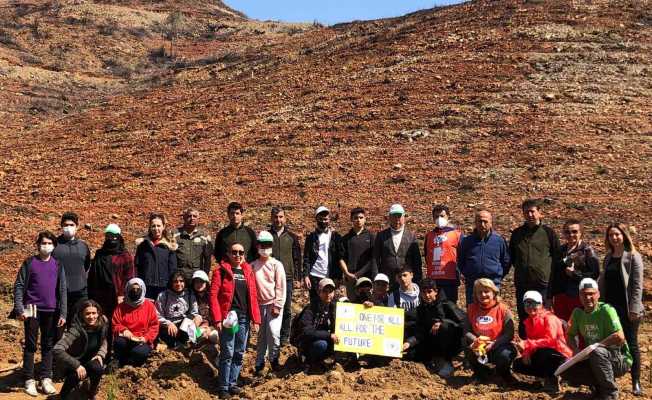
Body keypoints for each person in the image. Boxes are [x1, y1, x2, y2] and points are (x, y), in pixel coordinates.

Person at [13, 231, 67, 396]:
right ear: (38, 245)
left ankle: (45, 378)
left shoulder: (58, 265)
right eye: (43, 243)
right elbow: (19, 285)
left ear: (54, 246)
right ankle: (29, 379)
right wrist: (20, 308)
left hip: (51, 310)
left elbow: (63, 289)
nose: (46, 246)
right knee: (30, 344)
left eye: (50, 243)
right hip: (32, 310)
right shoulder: (30, 263)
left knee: (48, 344)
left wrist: (63, 313)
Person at [561, 278, 632, 400]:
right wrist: (576, 350)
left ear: (598, 294)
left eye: (591, 294)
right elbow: (570, 335)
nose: (588, 297)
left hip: (619, 358)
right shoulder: (578, 313)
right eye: (584, 294)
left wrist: (597, 345)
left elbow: (620, 336)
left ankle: (610, 392)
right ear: (579, 296)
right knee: (565, 368)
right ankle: (598, 387)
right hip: (595, 356)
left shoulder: (607, 310)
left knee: (597, 352)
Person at [209, 242, 261, 399]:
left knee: (239, 351)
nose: (237, 255)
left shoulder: (248, 271)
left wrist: (256, 319)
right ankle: (223, 386)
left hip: (244, 317)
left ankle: (232, 383)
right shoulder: (221, 271)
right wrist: (217, 318)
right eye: (234, 252)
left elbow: (253, 296)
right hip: (229, 318)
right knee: (228, 351)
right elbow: (213, 296)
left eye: (241, 252)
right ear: (228, 253)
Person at [599, 223, 644, 396]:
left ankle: (636, 381)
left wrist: (634, 308)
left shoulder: (633, 256)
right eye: (611, 235)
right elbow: (605, 282)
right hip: (611, 308)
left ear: (624, 235)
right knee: (612, 343)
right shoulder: (608, 257)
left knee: (631, 343)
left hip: (628, 309)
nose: (614, 238)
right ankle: (609, 381)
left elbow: (637, 286)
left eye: (617, 234)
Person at [507, 199, 562, 337]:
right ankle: (526, 348)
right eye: (526, 212)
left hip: (542, 284)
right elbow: (513, 257)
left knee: (542, 316)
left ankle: (542, 347)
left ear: (539, 213)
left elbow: (557, 257)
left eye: (533, 211)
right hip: (523, 284)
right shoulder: (517, 234)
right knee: (524, 316)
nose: (530, 214)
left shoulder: (548, 233)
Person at [512, 291, 572, 393]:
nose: (530, 306)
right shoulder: (529, 321)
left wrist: (527, 344)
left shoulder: (550, 318)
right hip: (545, 354)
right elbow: (532, 342)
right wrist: (526, 352)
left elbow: (551, 341)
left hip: (560, 355)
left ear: (541, 304)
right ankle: (543, 377)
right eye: (527, 303)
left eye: (534, 303)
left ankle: (553, 381)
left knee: (543, 353)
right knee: (518, 364)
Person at [405, 278, 465, 377]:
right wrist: (409, 342)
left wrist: (442, 322)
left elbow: (463, 322)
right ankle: (431, 361)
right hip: (431, 342)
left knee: (444, 327)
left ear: (436, 292)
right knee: (411, 354)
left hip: (452, 344)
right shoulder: (421, 310)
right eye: (424, 293)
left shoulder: (447, 305)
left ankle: (447, 362)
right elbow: (421, 331)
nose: (427, 295)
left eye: (430, 292)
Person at [464, 278, 516, 383]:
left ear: (494, 292)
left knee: (505, 355)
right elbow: (466, 330)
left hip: (499, 346)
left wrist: (493, 344)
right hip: (479, 347)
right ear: (476, 295)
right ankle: (480, 373)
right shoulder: (471, 309)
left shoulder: (503, 309)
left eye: (486, 291)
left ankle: (503, 373)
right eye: (480, 292)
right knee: (466, 346)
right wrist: (476, 340)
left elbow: (509, 333)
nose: (483, 295)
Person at [54, 300, 108, 400]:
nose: (91, 317)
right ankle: (62, 396)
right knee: (75, 376)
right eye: (87, 314)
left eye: (94, 313)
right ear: (82, 315)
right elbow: (57, 349)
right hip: (75, 362)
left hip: (91, 360)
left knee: (98, 368)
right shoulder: (76, 329)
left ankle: (91, 393)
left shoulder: (103, 322)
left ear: (98, 313)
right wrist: (76, 365)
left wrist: (100, 354)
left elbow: (104, 340)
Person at [549, 219, 599, 322]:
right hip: (560, 296)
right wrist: (549, 296)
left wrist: (574, 274)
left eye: (574, 231)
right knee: (562, 327)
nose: (571, 234)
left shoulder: (587, 250)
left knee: (579, 327)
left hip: (579, 296)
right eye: (567, 232)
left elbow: (594, 274)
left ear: (581, 233)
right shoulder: (560, 250)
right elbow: (553, 274)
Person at [457, 208, 510, 305]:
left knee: (493, 312)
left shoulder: (498, 241)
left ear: (491, 223)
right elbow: (460, 261)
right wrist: (468, 273)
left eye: (485, 221)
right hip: (472, 284)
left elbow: (505, 261)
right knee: (473, 313)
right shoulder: (467, 241)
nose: (482, 224)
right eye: (479, 221)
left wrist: (498, 275)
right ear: (475, 223)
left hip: (493, 283)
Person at [87, 224, 134, 331]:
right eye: (108, 236)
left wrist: (122, 294)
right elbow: (93, 275)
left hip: (117, 296)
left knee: (116, 322)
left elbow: (129, 277)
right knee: (101, 323)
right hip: (100, 296)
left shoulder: (125, 256)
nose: (111, 239)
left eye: (114, 236)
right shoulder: (100, 254)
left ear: (119, 237)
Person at [252, 231, 287, 374]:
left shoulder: (276, 265)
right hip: (259, 305)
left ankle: (274, 359)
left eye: (267, 245)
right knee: (261, 336)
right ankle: (259, 364)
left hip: (273, 304)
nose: (264, 248)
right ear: (257, 246)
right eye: (262, 244)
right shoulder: (252, 265)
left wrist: (278, 305)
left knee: (273, 332)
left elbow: (281, 286)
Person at [269, 206, 302, 345]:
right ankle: (272, 335)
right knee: (271, 308)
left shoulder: (292, 237)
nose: (278, 220)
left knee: (287, 308)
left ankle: (284, 337)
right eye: (276, 217)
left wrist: (298, 278)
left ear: (285, 218)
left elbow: (297, 258)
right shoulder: (266, 236)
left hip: (287, 278)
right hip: (269, 278)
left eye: (281, 217)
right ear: (271, 218)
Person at [53, 211, 91, 322]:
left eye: (71, 225)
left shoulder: (83, 246)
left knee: (77, 327)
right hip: (58, 293)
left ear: (77, 226)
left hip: (80, 293)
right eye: (65, 225)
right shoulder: (54, 245)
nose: (68, 227)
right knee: (58, 328)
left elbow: (86, 265)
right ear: (61, 226)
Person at [111, 278, 159, 367]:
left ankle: (132, 363)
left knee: (139, 353)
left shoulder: (149, 306)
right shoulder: (121, 307)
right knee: (118, 343)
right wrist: (124, 330)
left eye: (138, 289)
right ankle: (119, 360)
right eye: (132, 289)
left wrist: (146, 338)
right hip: (127, 338)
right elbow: (115, 323)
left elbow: (154, 326)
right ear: (127, 290)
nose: (135, 291)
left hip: (142, 339)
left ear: (143, 290)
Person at [302, 206, 344, 306]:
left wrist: (338, 276)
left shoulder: (335, 236)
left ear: (329, 219)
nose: (323, 221)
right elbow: (307, 257)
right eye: (321, 219)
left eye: (326, 219)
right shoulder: (311, 237)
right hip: (315, 275)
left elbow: (339, 257)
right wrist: (306, 275)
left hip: (330, 275)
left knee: (330, 304)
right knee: (315, 304)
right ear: (316, 219)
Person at [373, 204, 422, 287]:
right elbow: (375, 259)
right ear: (389, 218)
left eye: (399, 216)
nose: (397, 219)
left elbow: (417, 260)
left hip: (406, 281)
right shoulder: (381, 236)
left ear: (404, 217)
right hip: (386, 280)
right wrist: (376, 277)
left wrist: (417, 279)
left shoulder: (411, 236)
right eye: (394, 216)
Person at [295, 278, 339, 372]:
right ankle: (309, 361)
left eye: (330, 291)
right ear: (319, 292)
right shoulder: (310, 309)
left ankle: (322, 360)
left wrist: (365, 305)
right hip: (309, 342)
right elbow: (306, 331)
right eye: (325, 291)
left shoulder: (335, 307)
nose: (328, 294)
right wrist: (329, 335)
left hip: (327, 340)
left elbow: (351, 313)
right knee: (321, 345)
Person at [135, 213, 178, 300]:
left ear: (163, 227)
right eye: (153, 226)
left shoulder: (169, 246)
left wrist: (171, 286)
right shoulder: (143, 245)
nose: (156, 229)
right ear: (150, 227)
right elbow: (137, 266)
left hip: (164, 286)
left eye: (159, 226)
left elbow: (173, 269)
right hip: (146, 286)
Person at [424, 205, 462, 303]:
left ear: (448, 217)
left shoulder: (456, 234)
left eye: (442, 216)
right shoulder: (429, 236)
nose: (439, 219)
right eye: (436, 217)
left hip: (450, 279)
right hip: (433, 280)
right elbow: (427, 256)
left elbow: (462, 256)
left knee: (449, 309)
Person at [155, 271, 201, 349]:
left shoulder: (190, 294)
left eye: (181, 281)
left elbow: (194, 312)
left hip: (184, 322)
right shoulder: (163, 296)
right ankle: (174, 345)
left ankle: (197, 339)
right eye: (175, 281)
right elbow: (157, 315)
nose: (178, 284)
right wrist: (168, 323)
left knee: (196, 321)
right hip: (169, 325)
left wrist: (187, 321)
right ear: (171, 283)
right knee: (168, 335)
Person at [340, 207, 376, 302]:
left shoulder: (371, 236)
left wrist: (360, 273)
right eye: (356, 218)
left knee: (368, 303)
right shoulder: (345, 238)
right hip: (350, 278)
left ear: (365, 219)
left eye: (361, 217)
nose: (358, 220)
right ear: (351, 219)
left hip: (367, 278)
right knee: (353, 304)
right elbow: (341, 258)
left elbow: (373, 258)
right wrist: (347, 273)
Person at [172, 208, 213, 283]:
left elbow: (207, 260)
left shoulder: (204, 237)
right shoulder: (175, 235)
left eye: (195, 216)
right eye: (189, 216)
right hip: (179, 276)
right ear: (184, 218)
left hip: (196, 276)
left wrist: (205, 275)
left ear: (198, 219)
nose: (192, 218)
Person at [388, 267, 420, 359]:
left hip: (420, 329)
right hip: (403, 330)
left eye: (405, 275)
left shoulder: (422, 292)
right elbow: (392, 321)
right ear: (396, 279)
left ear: (411, 275)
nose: (402, 278)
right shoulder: (393, 296)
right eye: (399, 276)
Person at [190, 270, 219, 344]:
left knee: (213, 337)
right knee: (198, 335)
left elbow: (217, 316)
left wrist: (210, 328)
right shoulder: (190, 296)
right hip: (197, 326)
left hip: (212, 326)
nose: (199, 284)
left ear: (206, 283)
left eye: (201, 282)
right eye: (196, 282)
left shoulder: (212, 297)